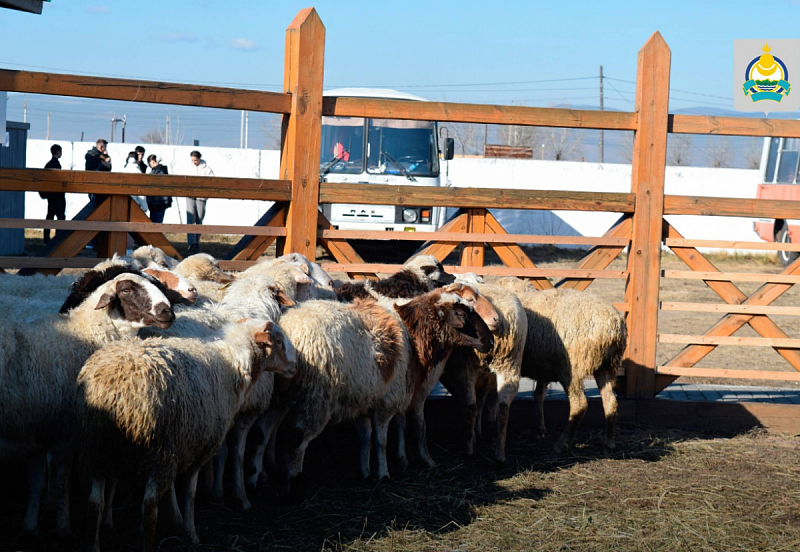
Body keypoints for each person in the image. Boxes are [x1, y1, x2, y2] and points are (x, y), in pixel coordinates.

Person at [185, 150, 214, 252]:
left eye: (195, 160)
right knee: (190, 218)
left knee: (199, 217)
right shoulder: (189, 168)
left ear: (199, 159)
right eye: (192, 160)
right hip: (190, 195)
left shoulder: (207, 169)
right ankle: (191, 242)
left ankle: (196, 241)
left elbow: (212, 182)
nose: (194, 162)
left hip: (201, 197)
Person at [40, 144, 65, 244]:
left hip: (51, 197)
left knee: (50, 216)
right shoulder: (56, 164)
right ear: (58, 152)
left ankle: (46, 239)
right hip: (58, 196)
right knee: (60, 218)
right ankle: (57, 239)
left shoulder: (48, 164)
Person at [145, 154, 172, 224]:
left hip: (156, 203)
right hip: (161, 202)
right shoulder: (163, 170)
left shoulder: (156, 172)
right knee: (158, 222)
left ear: (151, 162)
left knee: (155, 224)